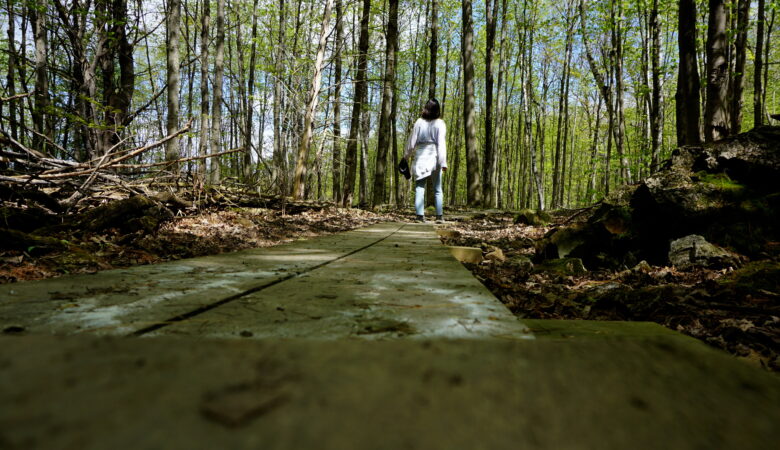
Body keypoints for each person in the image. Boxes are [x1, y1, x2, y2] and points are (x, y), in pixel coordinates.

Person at [404, 99, 447, 223]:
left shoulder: (419, 122)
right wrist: (443, 162)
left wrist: (406, 157)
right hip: (435, 156)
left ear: (426, 108)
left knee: (419, 187)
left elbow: (412, 142)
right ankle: (439, 216)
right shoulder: (440, 123)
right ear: (437, 110)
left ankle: (419, 216)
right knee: (437, 188)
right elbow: (441, 144)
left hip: (421, 156)